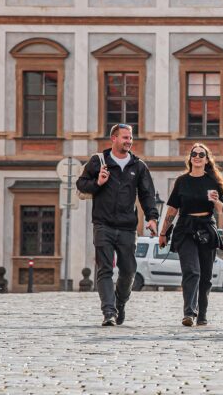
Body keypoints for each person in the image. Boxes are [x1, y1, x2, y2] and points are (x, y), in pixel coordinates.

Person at [76, 124, 158, 326]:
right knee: (104, 269)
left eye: (130, 138)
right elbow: (81, 184)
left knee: (128, 269)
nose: (129, 141)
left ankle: (120, 303)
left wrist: (152, 218)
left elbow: (147, 194)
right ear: (113, 139)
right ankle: (109, 312)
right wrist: (98, 183)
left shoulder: (138, 166)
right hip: (103, 224)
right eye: (125, 137)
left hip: (127, 227)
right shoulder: (98, 161)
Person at [158, 143, 223, 326]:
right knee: (191, 270)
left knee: (205, 276)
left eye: (201, 154)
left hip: (206, 228)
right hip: (185, 228)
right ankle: (189, 312)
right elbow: (172, 208)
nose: (197, 157)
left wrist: (217, 201)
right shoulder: (181, 181)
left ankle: (202, 314)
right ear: (190, 158)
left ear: (206, 159)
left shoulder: (214, 182)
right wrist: (163, 232)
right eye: (194, 154)